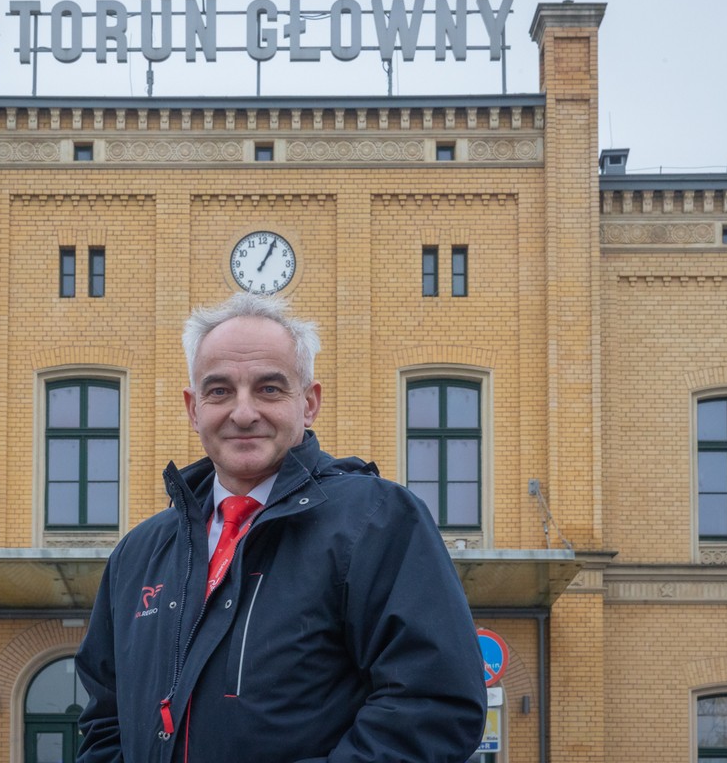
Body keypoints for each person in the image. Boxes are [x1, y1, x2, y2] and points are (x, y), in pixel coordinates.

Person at [76, 293, 486, 763]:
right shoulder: (138, 554)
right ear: (193, 409)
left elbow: (433, 706)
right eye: (219, 391)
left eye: (269, 389)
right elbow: (106, 723)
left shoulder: (377, 521)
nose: (243, 413)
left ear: (309, 403)